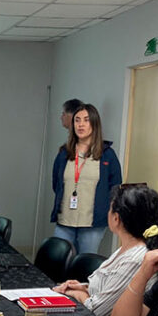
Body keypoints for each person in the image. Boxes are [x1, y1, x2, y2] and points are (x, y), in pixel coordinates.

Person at [52, 184, 158, 316]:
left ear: (116, 218)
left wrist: (74, 293)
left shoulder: (136, 258)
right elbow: (110, 289)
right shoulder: (127, 247)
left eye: (109, 209)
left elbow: (97, 311)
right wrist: (83, 287)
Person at [51, 103, 122, 255]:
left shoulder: (107, 154)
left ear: (94, 124)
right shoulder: (64, 153)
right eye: (77, 120)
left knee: (83, 267)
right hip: (65, 221)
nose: (81, 124)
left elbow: (115, 188)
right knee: (57, 264)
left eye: (86, 120)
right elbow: (56, 184)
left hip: (92, 224)